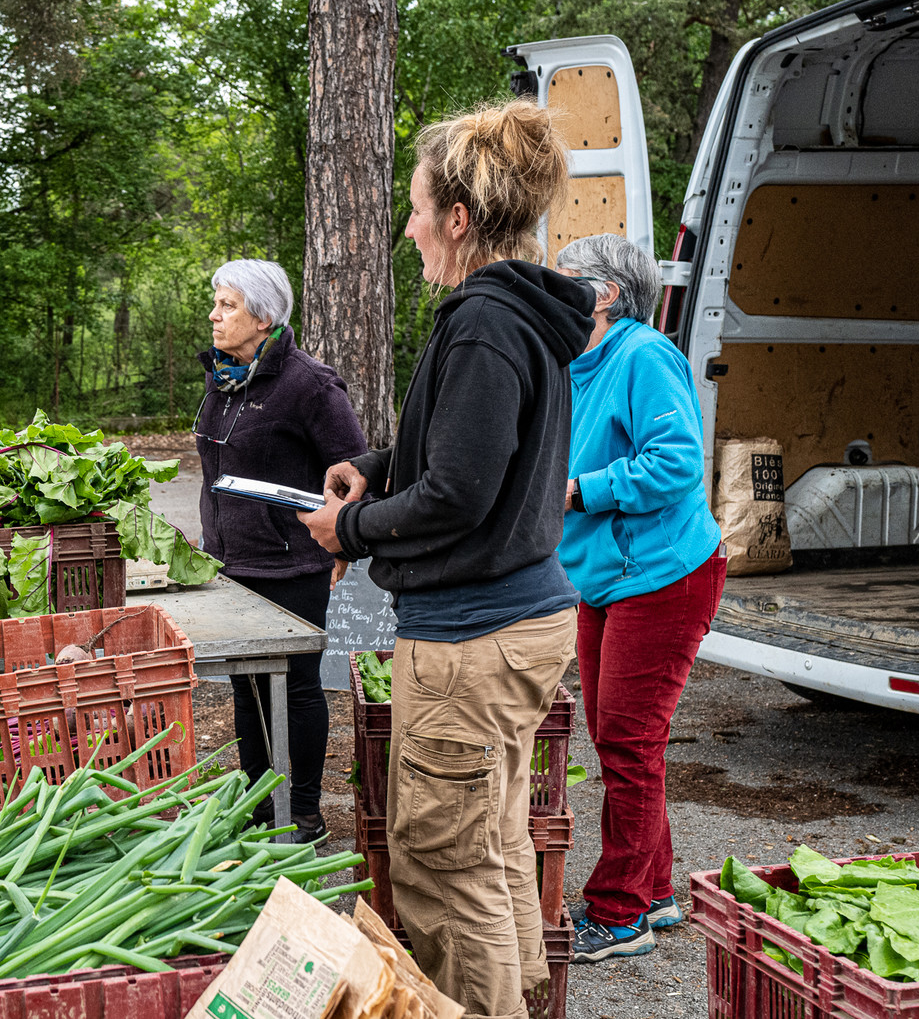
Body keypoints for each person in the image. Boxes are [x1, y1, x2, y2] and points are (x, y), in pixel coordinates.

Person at [297, 100, 595, 1019]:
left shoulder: (483, 324)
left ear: (460, 219)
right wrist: (377, 467)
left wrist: (350, 531)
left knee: (443, 872)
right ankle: (523, 1001)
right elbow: (471, 456)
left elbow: (461, 492)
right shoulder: (519, 316)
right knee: (494, 848)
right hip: (518, 625)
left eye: (421, 208)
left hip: (476, 640)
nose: (411, 226)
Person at [552, 233, 726, 962]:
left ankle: (618, 913)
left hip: (664, 577)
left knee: (627, 741)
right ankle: (653, 891)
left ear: (606, 294)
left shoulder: (643, 354)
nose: (551, 292)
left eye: (565, 282)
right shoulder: (578, 364)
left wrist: (580, 491)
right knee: (621, 738)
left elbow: (678, 461)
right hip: (611, 580)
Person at [195, 259, 367, 844]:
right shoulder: (225, 380)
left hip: (292, 563)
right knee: (245, 685)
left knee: (296, 686)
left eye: (228, 305)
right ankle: (259, 806)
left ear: (263, 317)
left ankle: (307, 812)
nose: (215, 316)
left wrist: (344, 541)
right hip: (230, 563)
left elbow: (353, 470)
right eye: (216, 303)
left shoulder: (309, 384)